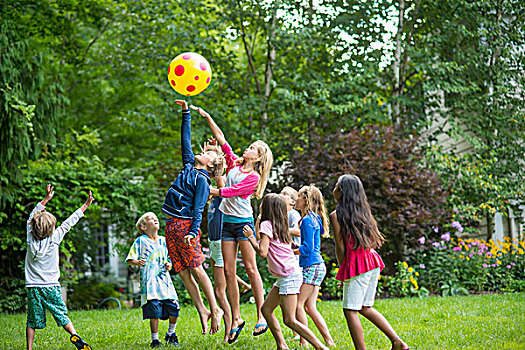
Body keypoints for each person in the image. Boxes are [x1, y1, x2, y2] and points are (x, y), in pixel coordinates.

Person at [193, 104, 273, 343]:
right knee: (229, 271)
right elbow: (221, 139)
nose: (248, 148)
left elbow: (230, 192)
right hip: (227, 223)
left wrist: (208, 189)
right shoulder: (235, 164)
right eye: (250, 146)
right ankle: (236, 317)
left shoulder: (254, 177)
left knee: (250, 268)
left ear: (258, 158)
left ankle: (261, 315)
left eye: (254, 148)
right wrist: (208, 116)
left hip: (243, 224)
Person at [162, 100, 225, 335]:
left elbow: (198, 209)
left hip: (185, 226)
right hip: (171, 225)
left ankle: (215, 308)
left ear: (211, 164)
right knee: (183, 271)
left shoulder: (203, 180)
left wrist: (192, 231)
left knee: (197, 268)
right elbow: (185, 140)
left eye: (208, 152)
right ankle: (202, 310)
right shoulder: (189, 165)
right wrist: (186, 112)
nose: (202, 151)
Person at [330, 174, 410, 350]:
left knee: (350, 310)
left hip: (358, 265)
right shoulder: (363, 213)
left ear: (342, 191)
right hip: (372, 262)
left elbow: (341, 247)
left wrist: (343, 268)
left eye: (336, 186)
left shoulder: (336, 216)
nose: (334, 189)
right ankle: (398, 342)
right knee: (365, 307)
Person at [243, 194, 330, 350]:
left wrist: (250, 238)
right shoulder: (279, 224)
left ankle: (320, 347)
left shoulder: (268, 225)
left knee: (289, 320)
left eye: (263, 202)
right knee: (266, 309)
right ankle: (282, 346)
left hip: (288, 275)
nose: (261, 204)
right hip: (287, 274)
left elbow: (262, 252)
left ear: (267, 207)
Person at [25, 184, 94, 350]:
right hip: (52, 287)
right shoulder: (55, 238)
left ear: (33, 226)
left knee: (32, 320)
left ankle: (29, 348)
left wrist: (46, 199)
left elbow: (31, 216)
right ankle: (74, 335)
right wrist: (85, 205)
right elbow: (70, 222)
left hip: (34, 287)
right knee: (62, 315)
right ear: (51, 229)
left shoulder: (30, 238)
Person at [207, 175, 252, 343]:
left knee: (219, 291)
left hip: (220, 242)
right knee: (220, 283)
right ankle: (242, 284)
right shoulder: (213, 200)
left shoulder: (222, 199)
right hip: (213, 243)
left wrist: (216, 158)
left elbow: (221, 180)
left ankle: (229, 330)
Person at [126, 212, 180, 348]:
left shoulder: (163, 240)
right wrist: (137, 262)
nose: (155, 219)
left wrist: (170, 264)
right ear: (143, 227)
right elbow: (130, 259)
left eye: (156, 218)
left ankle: (171, 333)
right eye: (151, 219)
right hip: (150, 284)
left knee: (174, 307)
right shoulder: (140, 241)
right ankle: (155, 339)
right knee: (154, 311)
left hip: (165, 283)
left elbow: (169, 258)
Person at [294, 185, 335, 348]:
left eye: (298, 197)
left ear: (306, 200)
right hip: (318, 266)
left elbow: (307, 248)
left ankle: (304, 341)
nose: (295, 200)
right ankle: (329, 341)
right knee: (310, 307)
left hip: (312, 265)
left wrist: (294, 251)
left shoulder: (306, 221)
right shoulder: (314, 218)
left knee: (298, 305)